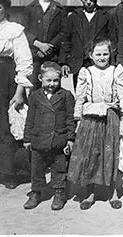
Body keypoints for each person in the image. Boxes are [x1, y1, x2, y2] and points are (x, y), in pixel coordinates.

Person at [67, 38, 123, 210]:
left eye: (105, 54)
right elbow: (80, 97)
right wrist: (78, 120)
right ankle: (90, 193)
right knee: (91, 155)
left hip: (111, 116)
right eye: (98, 54)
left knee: (111, 155)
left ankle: (113, 193)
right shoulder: (86, 72)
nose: (102, 57)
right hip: (91, 118)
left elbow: (122, 95)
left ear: (111, 54)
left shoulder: (116, 71)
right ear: (91, 55)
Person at [0, 0, 33, 188]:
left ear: (5, 9)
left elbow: (24, 61)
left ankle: (9, 172)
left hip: (6, 79)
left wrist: (19, 91)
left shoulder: (14, 30)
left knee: (7, 124)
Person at [23, 62, 76, 211]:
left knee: (59, 168)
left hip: (58, 139)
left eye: (55, 80)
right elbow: (30, 118)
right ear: (40, 78)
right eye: (48, 80)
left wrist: (70, 139)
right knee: (37, 168)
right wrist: (27, 139)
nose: (52, 84)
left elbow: (70, 118)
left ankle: (59, 192)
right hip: (39, 139)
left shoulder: (65, 95)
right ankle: (36, 192)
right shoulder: (34, 96)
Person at [60, 0, 112, 88]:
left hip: (99, 64)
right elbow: (66, 40)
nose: (88, 2)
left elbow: (112, 40)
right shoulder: (73, 17)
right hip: (78, 64)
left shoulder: (106, 17)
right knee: (80, 94)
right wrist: (63, 62)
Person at [22, 0, 67, 89]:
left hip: (52, 56)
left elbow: (64, 31)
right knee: (34, 87)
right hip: (35, 56)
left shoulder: (59, 9)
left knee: (53, 87)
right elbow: (24, 31)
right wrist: (38, 44)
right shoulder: (30, 9)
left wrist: (50, 45)